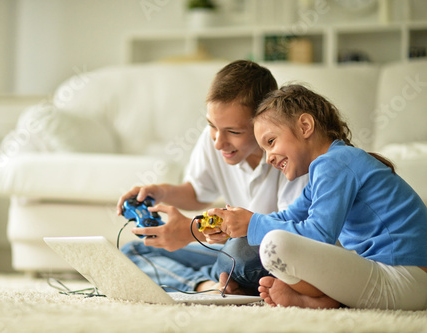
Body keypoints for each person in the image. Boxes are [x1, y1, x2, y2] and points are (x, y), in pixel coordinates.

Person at [207, 84, 427, 309]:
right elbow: (288, 217)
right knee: (273, 240)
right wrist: (240, 222)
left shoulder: (334, 162)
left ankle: (321, 299)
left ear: (305, 126)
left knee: (275, 245)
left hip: (406, 278)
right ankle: (322, 298)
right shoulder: (329, 168)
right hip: (396, 278)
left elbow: (318, 236)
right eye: (264, 150)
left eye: (271, 142)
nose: (268, 159)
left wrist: (252, 223)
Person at [116, 61, 308, 294]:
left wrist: (191, 231)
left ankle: (223, 278)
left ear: (264, 122)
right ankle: (208, 285)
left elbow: (291, 238)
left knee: (240, 253)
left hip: (267, 251)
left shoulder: (289, 156)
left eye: (233, 132)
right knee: (134, 252)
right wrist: (161, 192)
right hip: (230, 249)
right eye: (212, 126)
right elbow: (197, 194)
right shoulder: (215, 141)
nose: (218, 142)